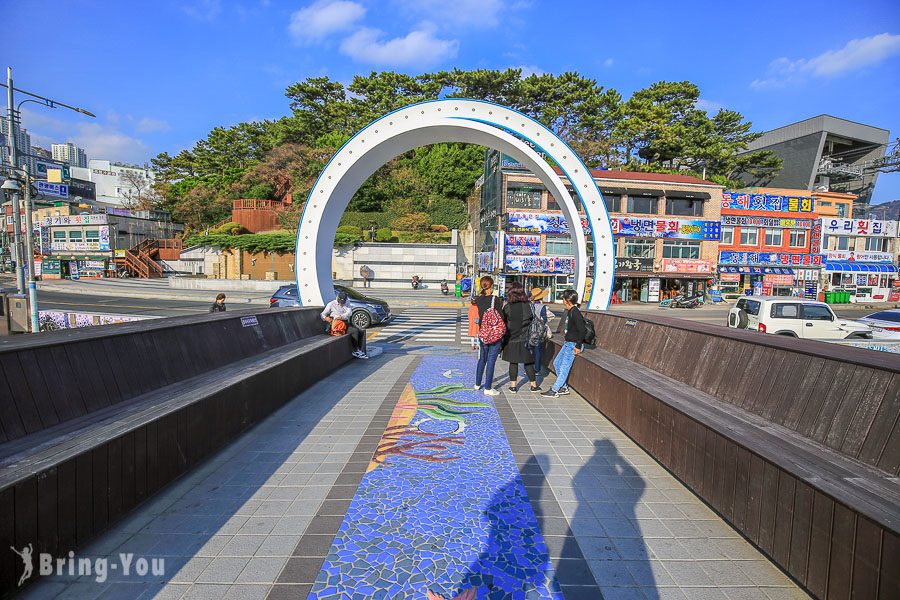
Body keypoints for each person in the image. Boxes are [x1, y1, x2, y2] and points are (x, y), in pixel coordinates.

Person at [542, 289, 586, 398]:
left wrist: (578, 346)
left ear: (566, 300)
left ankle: (554, 390)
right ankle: (564, 387)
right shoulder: (570, 311)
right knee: (557, 363)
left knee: (565, 367)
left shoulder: (575, 312)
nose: (562, 300)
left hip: (573, 344)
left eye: (563, 298)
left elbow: (582, 330)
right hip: (568, 343)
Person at [502, 282, 539, 393]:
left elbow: (503, 322)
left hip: (511, 338)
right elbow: (533, 319)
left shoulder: (508, 307)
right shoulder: (529, 305)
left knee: (513, 363)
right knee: (528, 362)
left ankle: (513, 386)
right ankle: (534, 385)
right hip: (526, 338)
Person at [473, 275, 504, 396]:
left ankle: (477, 384)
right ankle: (488, 388)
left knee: (482, 359)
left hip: (483, 333)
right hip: (494, 334)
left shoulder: (478, 300)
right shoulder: (495, 299)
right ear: (490, 286)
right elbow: (500, 317)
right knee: (491, 360)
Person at [321, 291, 368, 359]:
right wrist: (325, 318)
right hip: (337, 324)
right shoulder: (331, 304)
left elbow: (349, 313)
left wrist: (341, 316)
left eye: (343, 302)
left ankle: (360, 350)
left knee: (361, 331)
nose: (341, 303)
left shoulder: (347, 303)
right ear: (337, 298)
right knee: (354, 331)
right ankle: (355, 350)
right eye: (340, 301)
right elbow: (322, 314)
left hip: (344, 322)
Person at [529, 287, 551, 380]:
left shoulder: (529, 305)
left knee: (530, 350)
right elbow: (544, 319)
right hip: (538, 332)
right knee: (538, 350)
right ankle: (537, 369)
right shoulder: (542, 307)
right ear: (541, 298)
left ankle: (529, 368)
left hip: (529, 331)